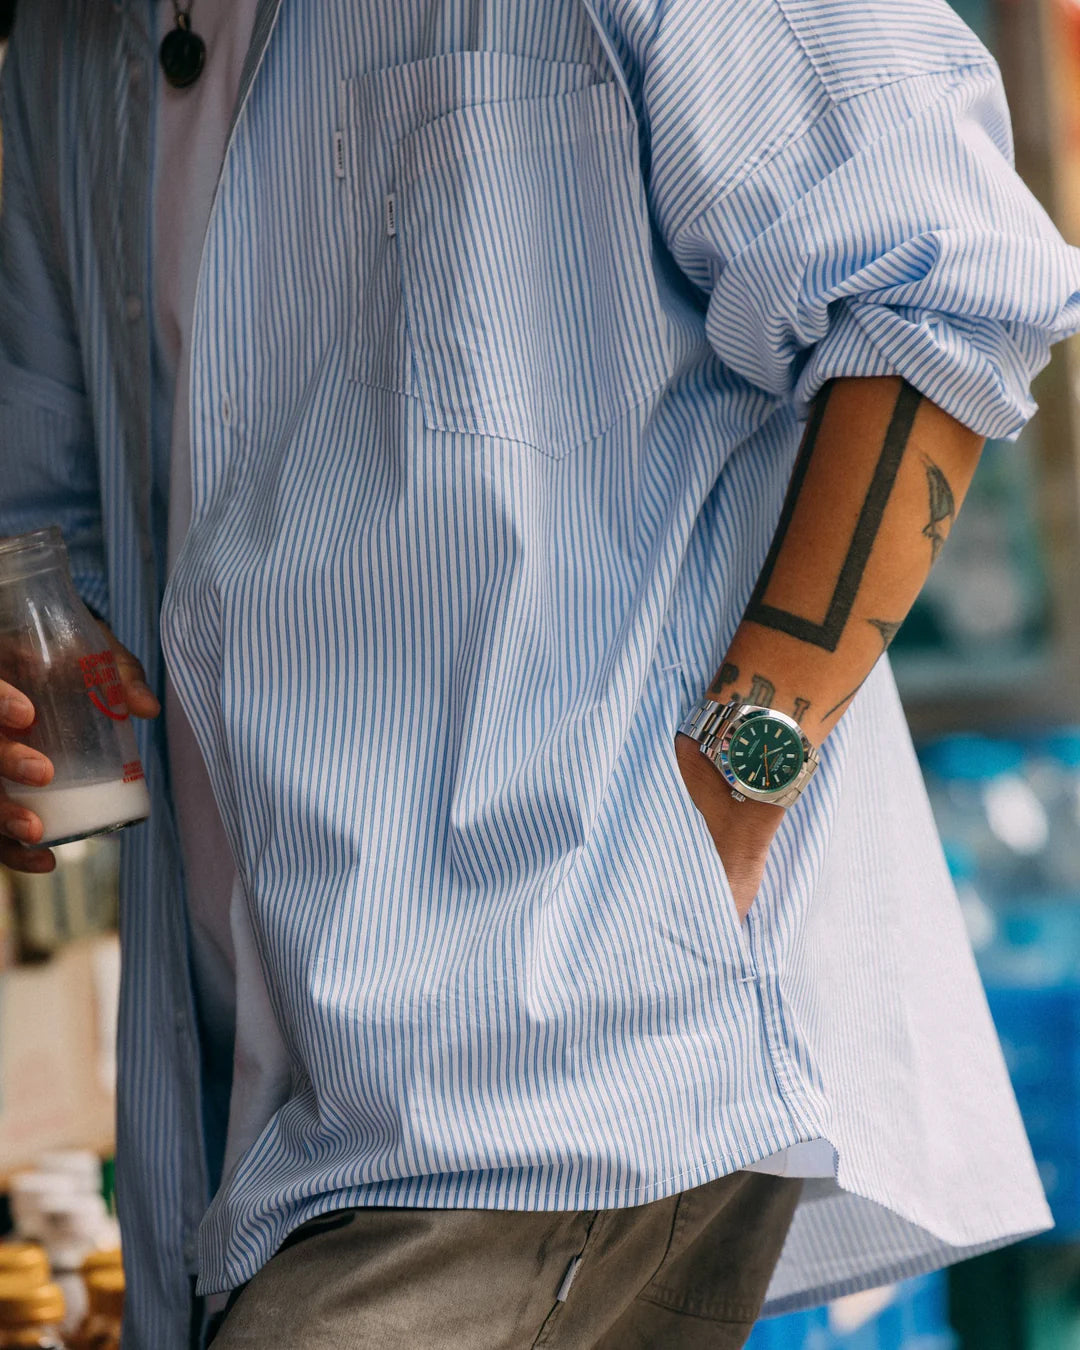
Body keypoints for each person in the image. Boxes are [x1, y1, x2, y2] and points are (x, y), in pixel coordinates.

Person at [2, 1, 1079, 1346]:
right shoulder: (62, 50)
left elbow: (947, 270)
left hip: (562, 1043)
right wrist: (41, 674)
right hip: (238, 1111)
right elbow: (57, 517)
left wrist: (732, 789)